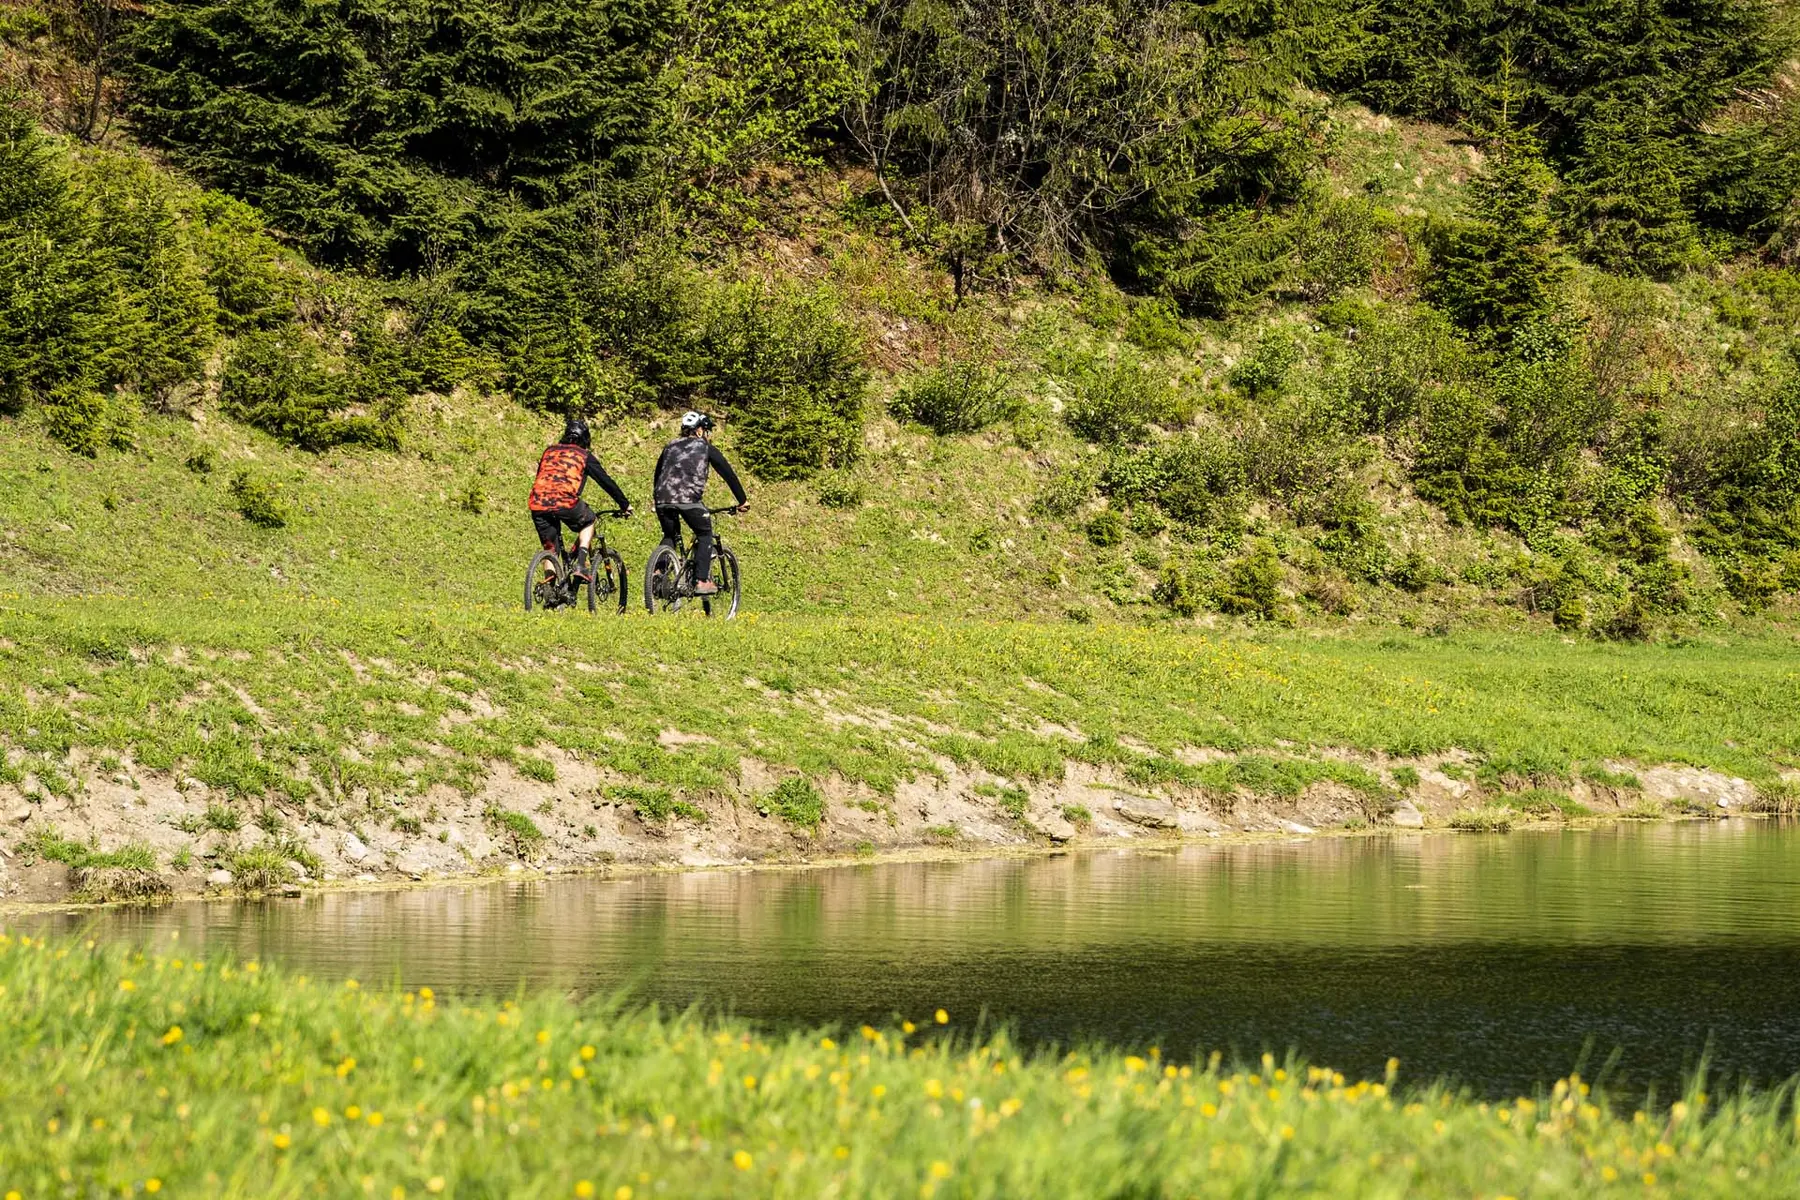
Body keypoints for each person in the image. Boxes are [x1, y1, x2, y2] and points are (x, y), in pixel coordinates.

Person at [527, 416, 632, 583]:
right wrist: (624, 504)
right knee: (589, 521)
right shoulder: (584, 455)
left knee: (550, 549)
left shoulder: (549, 451)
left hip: (538, 502)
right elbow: (605, 481)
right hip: (564, 501)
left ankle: (549, 590)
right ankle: (581, 565)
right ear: (585, 439)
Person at [652, 411, 747, 594]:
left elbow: (658, 474)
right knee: (704, 534)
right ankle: (701, 580)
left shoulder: (670, 446)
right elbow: (727, 474)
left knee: (669, 535)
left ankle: (657, 571)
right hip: (689, 500)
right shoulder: (705, 447)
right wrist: (742, 500)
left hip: (662, 498)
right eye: (706, 430)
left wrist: (658, 499)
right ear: (699, 431)